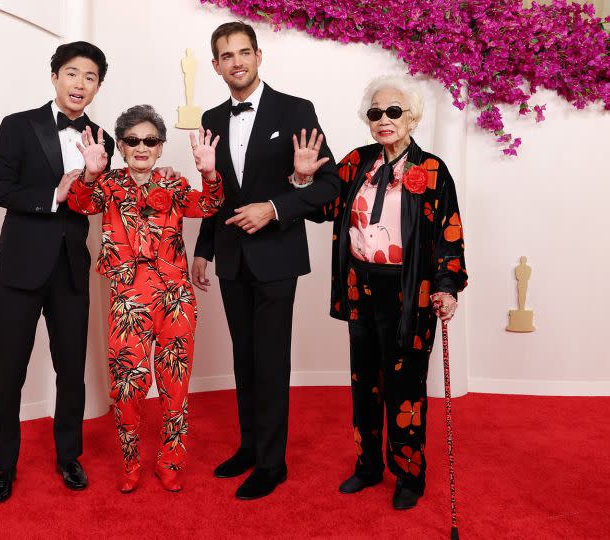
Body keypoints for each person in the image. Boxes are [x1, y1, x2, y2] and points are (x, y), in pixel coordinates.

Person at [190, 21, 340, 500]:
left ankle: (273, 465)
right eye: (226, 55)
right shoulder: (210, 118)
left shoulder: (296, 110)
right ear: (216, 66)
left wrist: (278, 204)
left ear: (258, 56)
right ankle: (250, 448)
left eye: (243, 52)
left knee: (270, 361)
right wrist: (203, 248)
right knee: (244, 359)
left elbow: (328, 184)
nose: (236, 61)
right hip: (231, 257)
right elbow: (215, 194)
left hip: (277, 255)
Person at [309, 75, 468, 510]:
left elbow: (448, 234)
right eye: (375, 112)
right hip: (360, 285)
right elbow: (324, 208)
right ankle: (367, 466)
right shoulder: (356, 162)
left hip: (409, 290)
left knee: (405, 385)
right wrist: (305, 177)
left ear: (412, 117)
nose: (384, 119)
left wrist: (448, 286)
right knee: (364, 382)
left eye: (394, 111)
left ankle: (408, 474)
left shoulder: (432, 170)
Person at [58, 106, 224, 493]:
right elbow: (79, 203)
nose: (141, 147)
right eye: (132, 141)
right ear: (120, 146)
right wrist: (91, 172)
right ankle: (131, 461)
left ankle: (171, 461)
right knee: (128, 387)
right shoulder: (108, 184)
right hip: (127, 301)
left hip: (175, 297)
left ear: (161, 147)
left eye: (150, 140)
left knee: (175, 386)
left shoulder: (175, 185)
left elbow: (210, 205)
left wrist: (209, 172)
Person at [0, 41, 116, 503]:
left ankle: (69, 456)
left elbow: (98, 204)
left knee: (71, 370)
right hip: (20, 267)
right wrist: (52, 195)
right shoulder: (18, 126)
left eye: (91, 77)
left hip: (72, 269)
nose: (81, 84)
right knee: (9, 370)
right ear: (55, 76)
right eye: (73, 74)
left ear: (99, 86)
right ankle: (3, 464)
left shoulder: (103, 138)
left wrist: (96, 181)